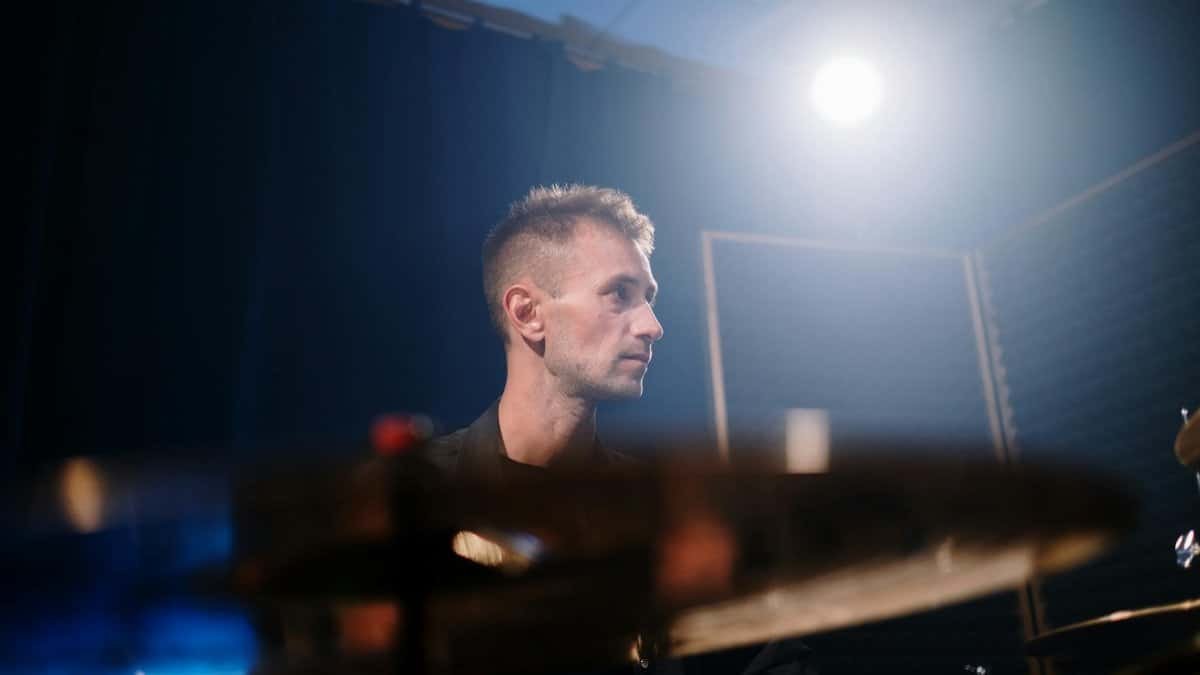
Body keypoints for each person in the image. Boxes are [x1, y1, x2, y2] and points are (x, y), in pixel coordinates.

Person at [423, 184, 664, 480]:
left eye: (647, 298)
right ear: (527, 313)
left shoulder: (655, 506)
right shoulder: (414, 492)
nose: (653, 327)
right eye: (619, 292)